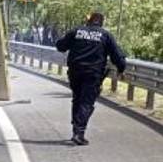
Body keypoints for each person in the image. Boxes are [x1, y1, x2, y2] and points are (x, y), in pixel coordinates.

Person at [54, 11, 126, 145]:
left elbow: (60, 46)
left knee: (77, 98)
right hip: (93, 74)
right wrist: (121, 69)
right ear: (101, 22)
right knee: (86, 102)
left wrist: (62, 40)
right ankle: (79, 132)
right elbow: (117, 56)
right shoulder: (106, 35)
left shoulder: (76, 31)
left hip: (75, 72)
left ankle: (76, 128)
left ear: (89, 21)